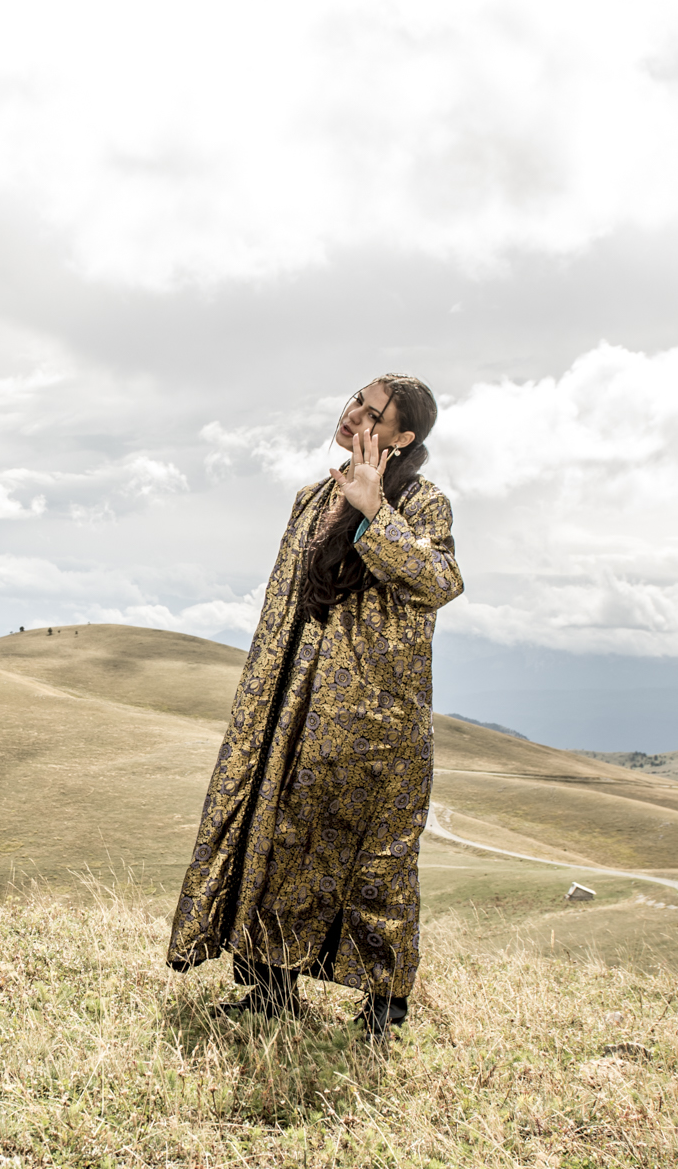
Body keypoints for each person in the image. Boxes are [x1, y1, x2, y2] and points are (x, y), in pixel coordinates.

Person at [166, 374, 463, 1033]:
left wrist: (375, 511)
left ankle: (383, 1003)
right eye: (356, 399)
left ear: (402, 437)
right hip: (293, 701)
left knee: (376, 857)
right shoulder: (311, 499)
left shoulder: (423, 503)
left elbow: (439, 580)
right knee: (280, 836)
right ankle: (270, 988)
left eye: (373, 412)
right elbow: (286, 601)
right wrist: (262, 699)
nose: (354, 414)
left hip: (373, 715)